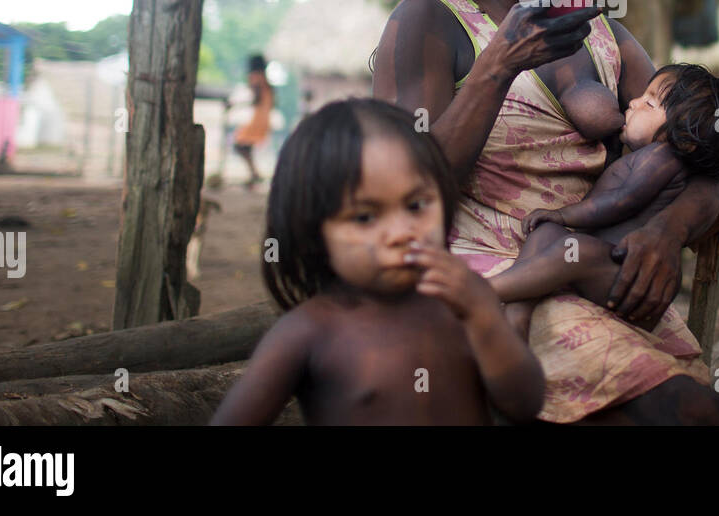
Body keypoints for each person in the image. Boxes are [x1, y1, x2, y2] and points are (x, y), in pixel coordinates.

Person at [373, 0, 719, 425]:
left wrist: (668, 232)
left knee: (701, 412)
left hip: (591, 267)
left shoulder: (606, 36)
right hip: (475, 273)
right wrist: (500, 63)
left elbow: (710, 153)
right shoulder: (430, 21)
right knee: (689, 412)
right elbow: (404, 192)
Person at [210, 98, 545, 425]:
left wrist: (484, 318)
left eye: (416, 205)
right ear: (314, 233)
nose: (400, 232)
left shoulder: (462, 305)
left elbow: (525, 403)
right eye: (365, 217)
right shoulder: (310, 331)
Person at [491, 64, 719, 340]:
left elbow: (621, 201)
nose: (634, 102)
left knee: (573, 246)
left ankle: (487, 289)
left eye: (648, 103)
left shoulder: (661, 158)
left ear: (683, 139)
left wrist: (564, 215)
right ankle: (517, 315)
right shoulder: (654, 157)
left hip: (626, 280)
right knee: (549, 234)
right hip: (610, 271)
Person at [232, 54, 273, 187]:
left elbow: (256, 99)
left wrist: (236, 105)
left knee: (240, 145)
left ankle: (254, 174)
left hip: (257, 119)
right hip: (264, 118)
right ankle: (254, 174)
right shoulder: (266, 80)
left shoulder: (255, 78)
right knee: (244, 147)